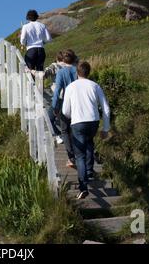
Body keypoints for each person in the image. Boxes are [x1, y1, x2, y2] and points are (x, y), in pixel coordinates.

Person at [62, 62, 110, 199]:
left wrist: (73, 116)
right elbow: (105, 108)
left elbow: (65, 110)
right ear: (89, 72)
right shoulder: (95, 86)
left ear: (77, 72)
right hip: (93, 121)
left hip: (78, 122)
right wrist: (105, 128)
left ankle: (83, 187)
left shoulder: (71, 87)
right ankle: (89, 171)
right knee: (89, 143)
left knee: (79, 155)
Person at [51, 50, 78, 168]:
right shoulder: (78, 70)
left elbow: (57, 91)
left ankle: (71, 157)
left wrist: (54, 106)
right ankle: (81, 155)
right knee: (75, 129)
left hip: (65, 103)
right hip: (78, 103)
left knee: (65, 131)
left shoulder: (61, 72)